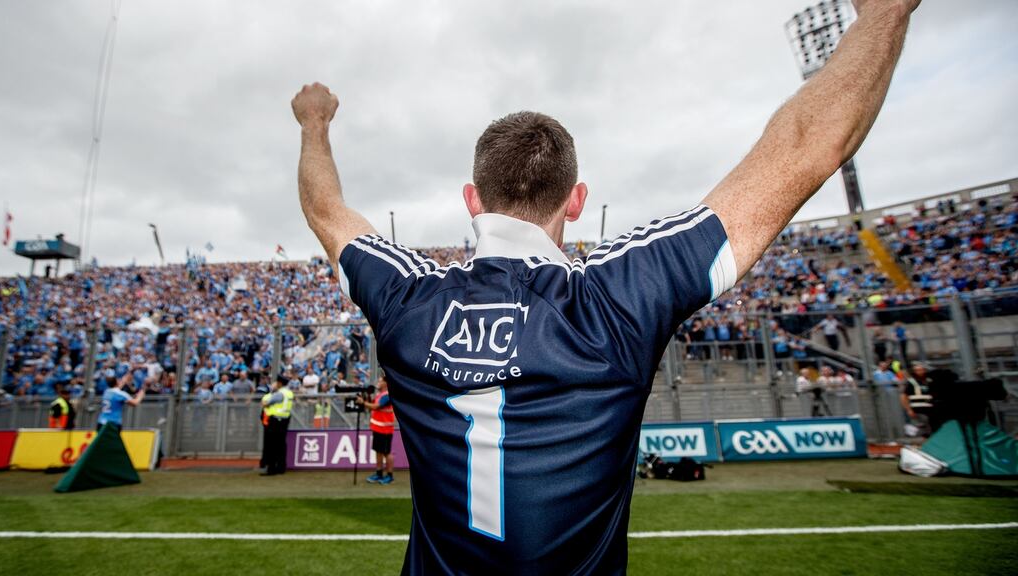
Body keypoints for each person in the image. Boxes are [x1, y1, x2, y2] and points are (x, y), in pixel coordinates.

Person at [292, 0, 919, 571]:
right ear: (577, 201)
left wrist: (315, 122)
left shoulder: (408, 297)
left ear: (472, 201)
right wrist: (884, 11)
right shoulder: (616, 298)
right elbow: (808, 144)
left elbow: (327, 211)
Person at [358, 373, 395, 484]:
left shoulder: (387, 395)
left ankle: (389, 475)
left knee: (386, 452)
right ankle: (379, 473)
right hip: (378, 428)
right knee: (378, 451)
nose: (378, 383)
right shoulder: (380, 394)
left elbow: (376, 406)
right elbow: (373, 407)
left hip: (385, 429)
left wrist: (363, 402)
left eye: (380, 381)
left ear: (385, 383)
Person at [260, 374, 294, 476]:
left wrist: (272, 391)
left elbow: (266, 403)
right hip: (285, 420)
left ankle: (271, 469)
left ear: (279, 383)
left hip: (275, 421)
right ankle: (281, 467)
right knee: (281, 445)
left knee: (272, 445)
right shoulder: (289, 393)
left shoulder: (279, 394)